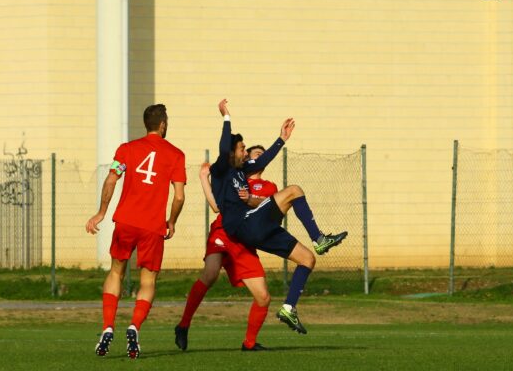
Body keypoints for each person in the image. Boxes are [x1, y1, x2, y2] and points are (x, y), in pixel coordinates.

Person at [210, 99, 347, 334]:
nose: (245, 153)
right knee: (294, 190)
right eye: (242, 149)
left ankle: (288, 308)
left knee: (307, 259)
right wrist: (226, 118)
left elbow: (263, 160)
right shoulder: (221, 170)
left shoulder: (243, 170)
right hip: (244, 225)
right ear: (232, 151)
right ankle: (319, 238)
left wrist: (282, 138)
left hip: (257, 228)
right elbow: (225, 148)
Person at [85, 104, 186, 359]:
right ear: (162, 124)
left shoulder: (126, 149)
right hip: (152, 226)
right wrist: (171, 221)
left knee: (116, 271)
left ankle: (108, 326)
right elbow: (179, 196)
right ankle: (134, 325)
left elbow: (111, 180)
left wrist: (101, 213)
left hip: (126, 223)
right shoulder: (175, 154)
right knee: (148, 281)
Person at [175, 145, 278, 351]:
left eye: (262, 154)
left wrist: (250, 200)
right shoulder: (236, 177)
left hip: (244, 240)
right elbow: (215, 207)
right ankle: (183, 325)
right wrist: (204, 178)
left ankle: (249, 343)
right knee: (210, 274)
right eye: (255, 153)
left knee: (263, 297)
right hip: (223, 231)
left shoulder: (269, 187)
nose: (258, 156)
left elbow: (268, 208)